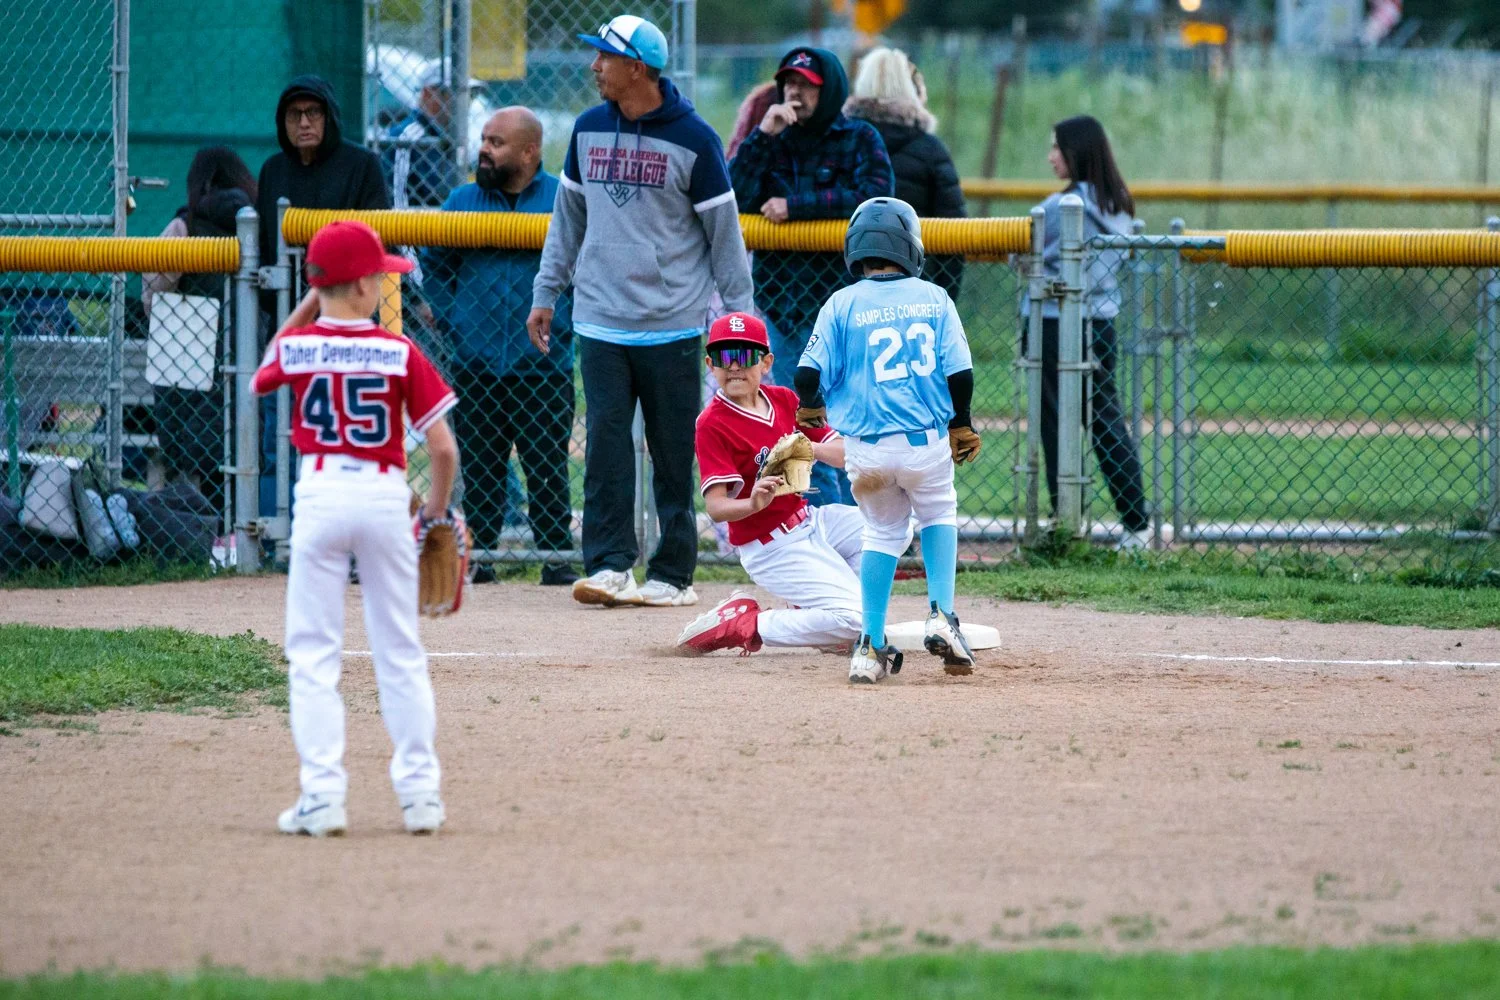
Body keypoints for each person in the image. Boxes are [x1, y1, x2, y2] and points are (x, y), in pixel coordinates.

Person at [529, 14, 754, 610]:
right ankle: (609, 566)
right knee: (605, 448)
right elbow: (567, 220)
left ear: (637, 67)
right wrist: (546, 292)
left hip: (671, 322)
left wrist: (742, 324)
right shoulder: (587, 129)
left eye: (604, 56)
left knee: (674, 451)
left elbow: (725, 238)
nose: (594, 67)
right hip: (601, 317)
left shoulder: (695, 139)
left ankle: (673, 574)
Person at [253, 221, 457, 838]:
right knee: (399, 650)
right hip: (382, 496)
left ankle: (322, 796)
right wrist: (435, 513)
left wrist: (312, 300)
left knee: (313, 653)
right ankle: (420, 796)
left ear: (319, 287)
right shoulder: (399, 350)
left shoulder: (298, 347)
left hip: (319, 497)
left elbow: (262, 372)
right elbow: (442, 450)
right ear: (366, 287)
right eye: (379, 277)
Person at [794, 198, 981, 684]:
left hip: (866, 449)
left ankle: (869, 646)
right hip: (924, 442)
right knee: (937, 512)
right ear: (910, 246)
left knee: (880, 533)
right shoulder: (935, 297)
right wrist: (961, 422)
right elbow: (960, 372)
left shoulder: (841, 303)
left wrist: (810, 405)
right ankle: (941, 616)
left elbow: (807, 373)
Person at [728, 46, 893, 506]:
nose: (795, 92)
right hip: (784, 307)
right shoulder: (773, 138)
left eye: (806, 84)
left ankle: (861, 528)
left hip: (843, 307)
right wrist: (761, 136)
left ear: (829, 89)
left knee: (847, 427)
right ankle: (823, 528)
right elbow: (734, 194)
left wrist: (796, 207)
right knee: (800, 430)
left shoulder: (859, 137)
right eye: (789, 83)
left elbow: (877, 196)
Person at [423, 107, 578, 587]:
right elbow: (435, 265)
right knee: (481, 467)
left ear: (529, 152)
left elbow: (585, 268)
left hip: (543, 364)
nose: (484, 150)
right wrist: (455, 320)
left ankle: (555, 557)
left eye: (497, 142)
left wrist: (566, 323)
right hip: (477, 362)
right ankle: (481, 558)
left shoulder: (562, 198)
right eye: (484, 140)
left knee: (547, 466)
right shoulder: (463, 200)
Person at [675, 312, 864, 656]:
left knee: (886, 531)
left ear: (766, 363)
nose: (734, 366)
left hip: (809, 523)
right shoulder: (712, 423)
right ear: (710, 364)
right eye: (724, 356)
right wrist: (752, 503)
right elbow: (716, 507)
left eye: (745, 356)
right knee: (856, 621)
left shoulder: (785, 400)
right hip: (770, 547)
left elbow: (843, 452)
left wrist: (808, 448)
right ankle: (744, 624)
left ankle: (816, 615)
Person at [255, 76, 391, 519]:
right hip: (290, 324)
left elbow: (377, 243)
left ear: (329, 117)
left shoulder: (362, 165)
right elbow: (266, 250)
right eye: (294, 115)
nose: (304, 123)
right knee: (280, 439)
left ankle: (344, 534)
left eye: (313, 113)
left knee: (345, 441)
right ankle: (282, 536)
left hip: (347, 326)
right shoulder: (274, 170)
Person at [1027, 115, 1150, 549]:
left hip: (1054, 321)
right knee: (1105, 420)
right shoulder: (1117, 203)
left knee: (1055, 422)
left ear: (1076, 152)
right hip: (1099, 323)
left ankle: (1065, 521)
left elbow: (1021, 250)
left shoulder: (1060, 206)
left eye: (1057, 148)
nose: (1051, 157)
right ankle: (1136, 523)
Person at [142, 146, 257, 514]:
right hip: (250, 351)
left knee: (189, 452)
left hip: (190, 357)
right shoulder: (259, 226)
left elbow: (154, 292)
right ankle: (243, 524)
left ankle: (195, 524)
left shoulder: (185, 226)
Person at [843, 46, 966, 301]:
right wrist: (944, 299)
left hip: (849, 287)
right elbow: (956, 232)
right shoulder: (931, 149)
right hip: (916, 290)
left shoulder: (842, 145)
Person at [383, 67, 462, 209]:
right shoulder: (408, 137)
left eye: (469, 95)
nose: (463, 102)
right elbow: (397, 202)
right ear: (428, 94)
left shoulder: (453, 137)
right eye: (452, 94)